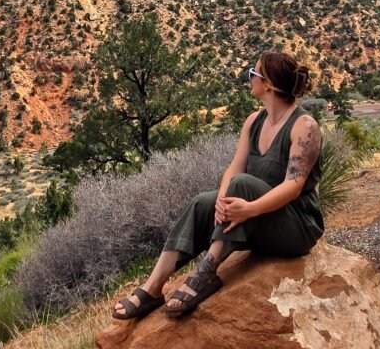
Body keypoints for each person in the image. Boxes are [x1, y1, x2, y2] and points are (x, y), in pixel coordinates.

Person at [112, 51, 324, 320]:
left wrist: (250, 209)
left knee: (243, 184)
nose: (249, 79)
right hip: (261, 219)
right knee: (204, 202)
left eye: (253, 74)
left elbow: (293, 186)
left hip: (297, 227)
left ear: (268, 83)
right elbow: (235, 167)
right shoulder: (253, 121)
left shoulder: (304, 126)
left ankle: (207, 273)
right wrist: (222, 203)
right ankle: (153, 287)